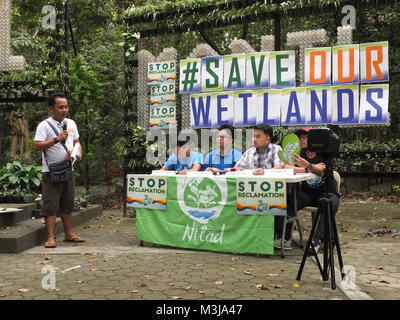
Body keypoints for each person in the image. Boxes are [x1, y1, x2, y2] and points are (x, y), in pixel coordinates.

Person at [275, 127, 340, 252]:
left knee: (329, 203)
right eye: (300, 138)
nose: (302, 140)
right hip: (308, 195)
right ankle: (285, 237)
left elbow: (322, 171)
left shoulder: (325, 154)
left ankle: (317, 240)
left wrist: (307, 165)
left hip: (327, 192)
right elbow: (286, 167)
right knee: (286, 200)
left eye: (305, 137)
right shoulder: (300, 154)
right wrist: (308, 168)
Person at [34, 92, 84, 248]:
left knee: (67, 204)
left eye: (66, 107)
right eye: (60, 107)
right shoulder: (44, 125)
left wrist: (79, 152)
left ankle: (69, 234)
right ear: (51, 109)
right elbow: (36, 145)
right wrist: (57, 139)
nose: (64, 110)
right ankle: (50, 237)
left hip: (68, 169)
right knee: (51, 205)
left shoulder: (71, 123)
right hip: (51, 172)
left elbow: (76, 141)